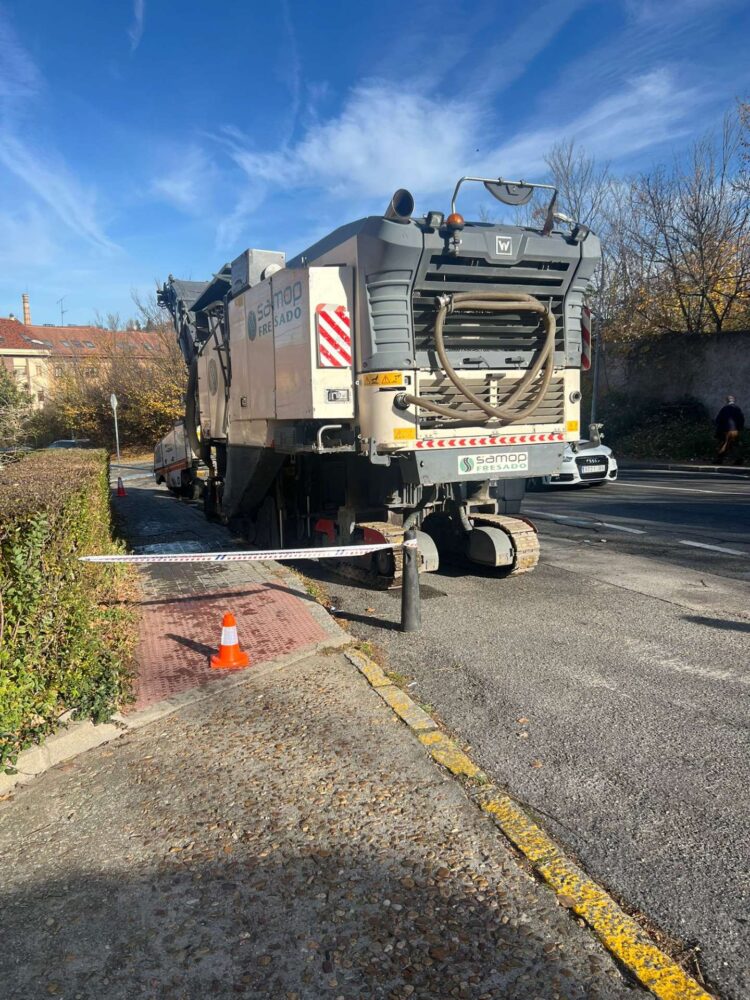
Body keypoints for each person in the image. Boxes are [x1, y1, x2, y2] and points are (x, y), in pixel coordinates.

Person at [714, 395, 744, 464]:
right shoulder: (737, 409)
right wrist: (739, 428)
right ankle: (738, 459)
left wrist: (718, 429)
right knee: (734, 445)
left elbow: (718, 420)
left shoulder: (724, 409)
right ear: (734, 401)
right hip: (735, 430)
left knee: (723, 444)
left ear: (727, 401)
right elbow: (741, 419)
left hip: (726, 430)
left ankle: (719, 459)